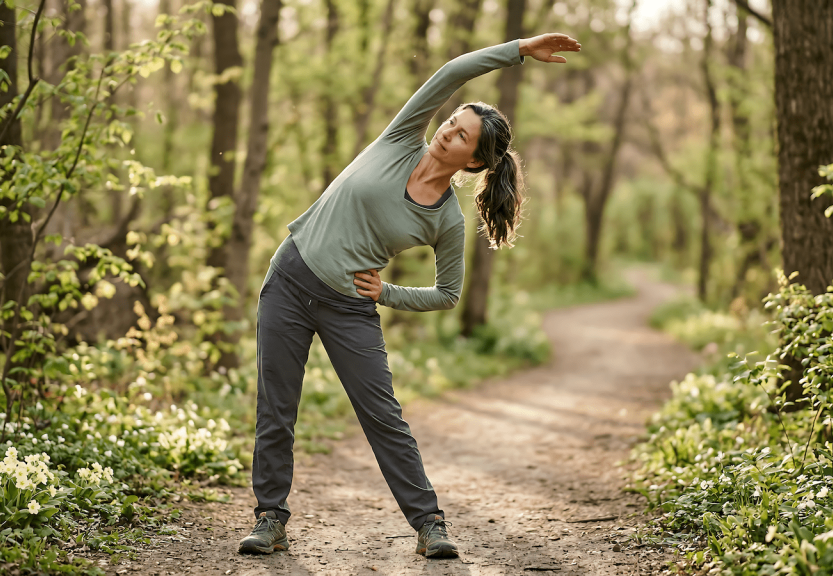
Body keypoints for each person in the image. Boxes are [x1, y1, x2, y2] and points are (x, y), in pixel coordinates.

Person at [238, 32, 581, 559]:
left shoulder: (446, 219)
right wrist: (518, 50)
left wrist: (389, 292)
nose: (448, 132)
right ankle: (270, 518)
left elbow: (448, 293)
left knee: (384, 417)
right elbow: (452, 73)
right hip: (288, 279)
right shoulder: (401, 138)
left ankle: (429, 525)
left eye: (462, 135)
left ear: (473, 160)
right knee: (276, 407)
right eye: (451, 122)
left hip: (350, 307)